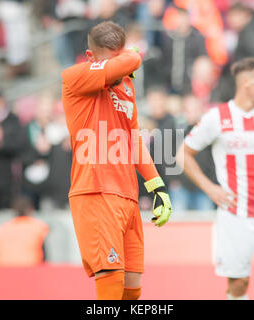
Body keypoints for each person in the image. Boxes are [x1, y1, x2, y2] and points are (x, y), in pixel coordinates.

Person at [61, 21, 172, 300]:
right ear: (91, 57)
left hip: (127, 195)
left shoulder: (127, 88)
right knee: (110, 282)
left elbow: (133, 139)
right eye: (115, 60)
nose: (123, 68)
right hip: (96, 192)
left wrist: (156, 186)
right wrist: (130, 56)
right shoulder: (74, 77)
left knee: (131, 288)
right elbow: (133, 58)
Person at [177, 57, 254, 300]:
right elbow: (183, 154)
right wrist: (210, 188)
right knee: (239, 283)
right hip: (235, 217)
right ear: (246, 82)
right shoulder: (217, 118)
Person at [0, 195, 49, 266]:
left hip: (4, 268)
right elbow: (44, 255)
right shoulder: (39, 226)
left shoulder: (3, 227)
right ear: (30, 210)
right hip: (31, 268)